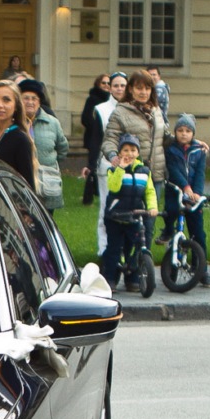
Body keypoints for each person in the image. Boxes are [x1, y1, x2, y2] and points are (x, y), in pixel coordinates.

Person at [103, 71, 166, 253]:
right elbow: (110, 139)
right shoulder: (121, 112)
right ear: (130, 89)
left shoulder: (156, 110)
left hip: (154, 174)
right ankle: (126, 261)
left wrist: (192, 142)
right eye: (139, 88)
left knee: (149, 223)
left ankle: (143, 263)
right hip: (131, 176)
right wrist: (114, 157)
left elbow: (164, 137)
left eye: (147, 88)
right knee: (130, 225)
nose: (143, 92)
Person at [99, 133, 157, 290]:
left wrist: (152, 207)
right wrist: (120, 169)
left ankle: (133, 277)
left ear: (138, 153)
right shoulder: (114, 170)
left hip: (134, 216)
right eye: (125, 150)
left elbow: (149, 191)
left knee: (136, 245)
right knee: (114, 248)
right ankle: (110, 278)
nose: (129, 154)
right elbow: (113, 187)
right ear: (119, 153)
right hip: (116, 216)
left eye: (133, 150)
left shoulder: (144, 171)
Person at [162, 114, 209, 284]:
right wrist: (185, 187)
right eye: (180, 130)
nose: (184, 134)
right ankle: (168, 233)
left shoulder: (198, 151)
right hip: (176, 192)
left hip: (193, 195)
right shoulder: (171, 150)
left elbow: (200, 173)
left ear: (193, 133)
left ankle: (201, 270)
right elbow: (174, 170)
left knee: (198, 234)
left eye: (188, 131)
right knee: (171, 213)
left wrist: (197, 193)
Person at [18, 79, 68, 211]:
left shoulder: (52, 123)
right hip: (20, 180)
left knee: (46, 218)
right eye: (26, 98)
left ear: (39, 102)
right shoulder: (13, 123)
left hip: (47, 183)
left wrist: (49, 162)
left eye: (34, 99)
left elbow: (62, 148)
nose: (30, 102)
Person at [80, 73, 112, 203]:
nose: (106, 85)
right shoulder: (92, 99)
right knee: (92, 165)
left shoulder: (112, 100)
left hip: (108, 138)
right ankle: (89, 194)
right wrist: (96, 126)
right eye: (103, 83)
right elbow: (85, 118)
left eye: (108, 83)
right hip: (94, 137)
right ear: (98, 84)